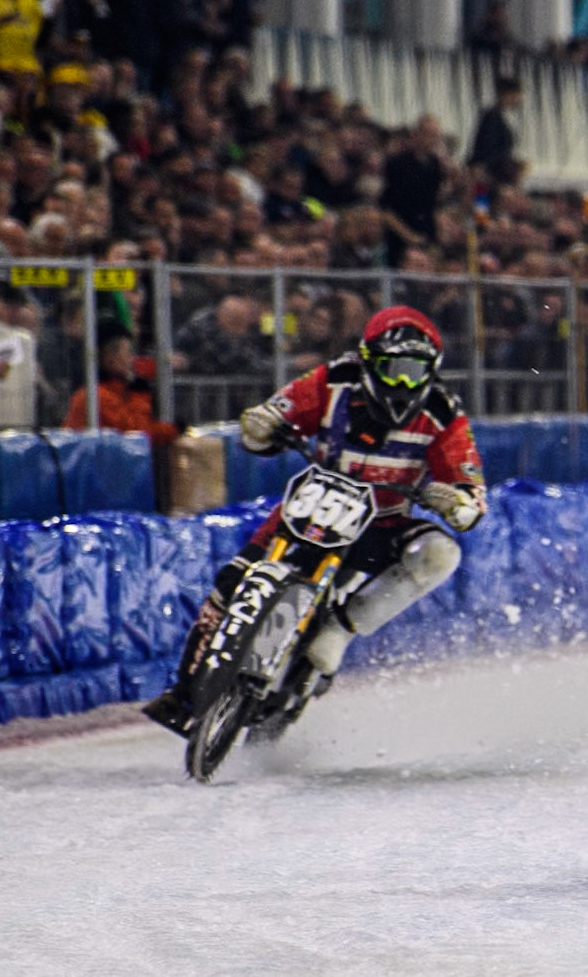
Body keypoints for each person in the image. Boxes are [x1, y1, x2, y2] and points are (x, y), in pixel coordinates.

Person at [143, 306, 488, 736]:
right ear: (366, 361)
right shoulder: (333, 380)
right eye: (391, 368)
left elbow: (470, 484)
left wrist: (458, 501)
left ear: (431, 373)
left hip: (384, 524)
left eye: (414, 372)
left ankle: (340, 629)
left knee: (440, 553)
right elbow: (276, 413)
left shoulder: (443, 413)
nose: (402, 383)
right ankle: (184, 694)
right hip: (313, 505)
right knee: (229, 583)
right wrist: (264, 423)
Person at [62, 322, 178, 445]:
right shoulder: (98, 396)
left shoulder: (113, 393)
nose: (131, 359)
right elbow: (138, 434)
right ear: (109, 357)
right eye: (128, 352)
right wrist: (173, 430)